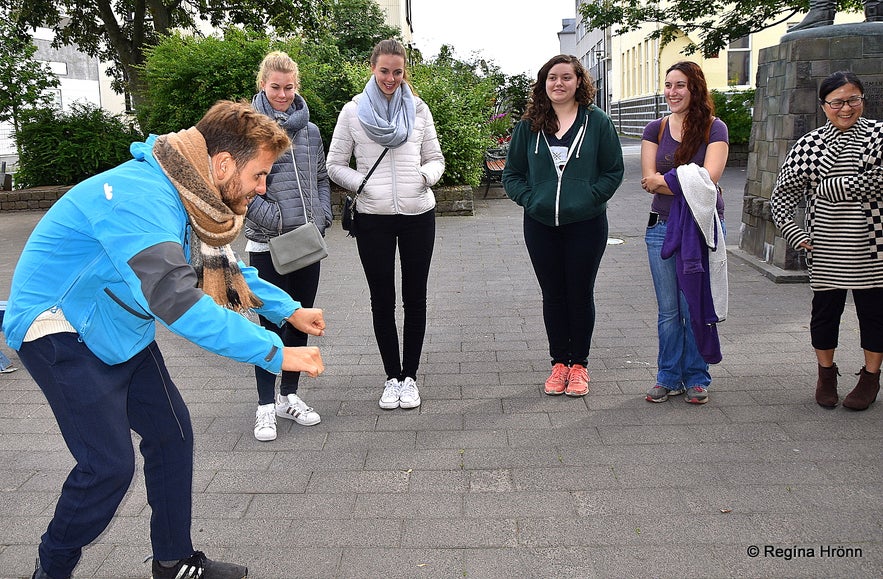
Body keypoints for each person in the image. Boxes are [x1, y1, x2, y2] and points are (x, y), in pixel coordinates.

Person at [2, 100, 326, 579]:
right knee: (107, 468)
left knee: (172, 434)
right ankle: (51, 568)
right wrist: (276, 352)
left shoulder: (187, 191)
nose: (262, 188)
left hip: (115, 323)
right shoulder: (141, 199)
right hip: (58, 328)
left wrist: (290, 310)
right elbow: (178, 299)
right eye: (259, 175)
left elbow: (214, 268)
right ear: (222, 164)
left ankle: (173, 562)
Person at [326, 39, 444, 410]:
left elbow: (436, 158)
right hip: (373, 218)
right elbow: (334, 165)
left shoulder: (420, 110)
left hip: (417, 216)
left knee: (415, 298)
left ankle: (410, 377)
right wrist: (363, 184)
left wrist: (424, 177)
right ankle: (391, 377)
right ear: (372, 67)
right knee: (382, 300)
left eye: (398, 71)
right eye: (384, 71)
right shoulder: (353, 112)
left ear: (404, 69)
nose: (391, 78)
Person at [502, 54, 624, 398]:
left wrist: (589, 198)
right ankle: (559, 363)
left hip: (586, 223)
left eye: (566, 77)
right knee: (553, 294)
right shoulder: (530, 125)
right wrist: (530, 199)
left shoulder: (597, 122)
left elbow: (613, 170)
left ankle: (579, 365)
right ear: (544, 83)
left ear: (578, 82)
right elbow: (512, 173)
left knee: (580, 293)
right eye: (552, 77)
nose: (559, 83)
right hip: (540, 223)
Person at [771, 70, 883, 411]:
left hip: (872, 248)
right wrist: (795, 233)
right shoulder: (808, 144)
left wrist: (830, 187)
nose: (845, 108)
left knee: (875, 317)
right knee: (824, 317)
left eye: (853, 100)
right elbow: (782, 196)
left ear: (863, 99)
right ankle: (826, 374)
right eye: (837, 102)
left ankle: (870, 377)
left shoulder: (879, 136)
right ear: (824, 105)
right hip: (825, 249)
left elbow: (880, 180)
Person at [246, 51, 332, 441]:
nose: (282, 94)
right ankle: (265, 406)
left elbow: (320, 178)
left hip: (305, 245)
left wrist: (321, 217)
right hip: (267, 246)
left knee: (300, 319)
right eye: (275, 87)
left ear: (297, 86)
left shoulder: (310, 131)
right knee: (268, 325)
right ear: (263, 84)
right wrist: (276, 222)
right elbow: (240, 189)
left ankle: (289, 396)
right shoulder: (247, 130)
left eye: (289, 87)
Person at [640, 61, 729, 405]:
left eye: (680, 85)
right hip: (661, 228)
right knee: (668, 310)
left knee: (695, 302)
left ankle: (696, 377)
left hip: (704, 227)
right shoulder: (655, 129)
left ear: (695, 89)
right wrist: (683, 180)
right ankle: (667, 376)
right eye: (668, 85)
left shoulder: (714, 128)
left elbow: (711, 180)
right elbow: (648, 181)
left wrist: (668, 180)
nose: (672, 92)